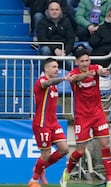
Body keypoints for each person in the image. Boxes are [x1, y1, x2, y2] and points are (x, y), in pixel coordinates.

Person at [59, 46, 111, 187]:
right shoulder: (73, 73)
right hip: (82, 116)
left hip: (97, 113)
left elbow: (101, 71)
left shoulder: (94, 67)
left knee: (105, 145)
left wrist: (102, 71)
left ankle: (110, 180)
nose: (85, 63)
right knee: (80, 151)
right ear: (77, 62)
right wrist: (89, 74)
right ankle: (66, 173)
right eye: (82, 61)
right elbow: (74, 79)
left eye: (87, 60)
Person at [28, 58, 69, 187]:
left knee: (64, 149)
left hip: (53, 123)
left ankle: (41, 168)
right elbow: (47, 83)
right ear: (46, 69)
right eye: (54, 67)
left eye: (57, 67)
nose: (57, 69)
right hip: (42, 124)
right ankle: (34, 180)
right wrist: (63, 79)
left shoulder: (54, 88)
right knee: (45, 153)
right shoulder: (41, 82)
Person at [37, 1, 75, 70]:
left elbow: (71, 39)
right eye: (52, 9)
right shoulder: (42, 22)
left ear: (60, 11)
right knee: (45, 50)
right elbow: (42, 40)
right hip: (50, 49)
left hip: (64, 50)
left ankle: (71, 78)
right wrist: (55, 49)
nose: (54, 12)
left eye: (56, 9)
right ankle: (44, 74)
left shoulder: (66, 21)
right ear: (48, 11)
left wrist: (65, 51)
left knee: (70, 61)